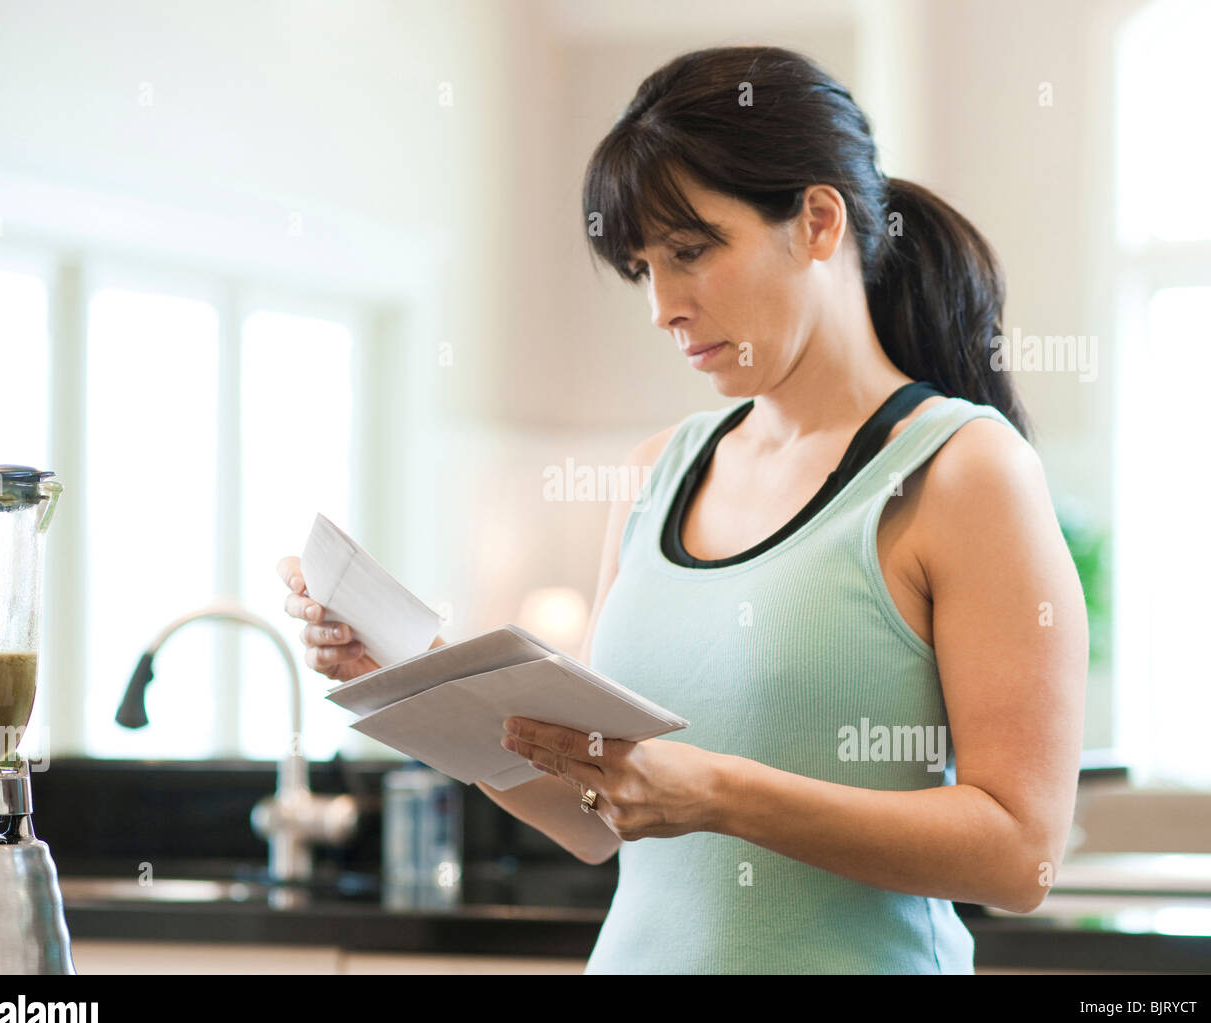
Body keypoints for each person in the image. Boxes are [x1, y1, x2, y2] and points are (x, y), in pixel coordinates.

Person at [279, 44, 1086, 974]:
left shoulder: (962, 468)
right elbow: (600, 813)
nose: (662, 304)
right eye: (642, 267)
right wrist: (415, 672)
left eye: (691, 252)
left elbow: (1020, 853)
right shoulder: (658, 471)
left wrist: (723, 794)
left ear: (818, 221)